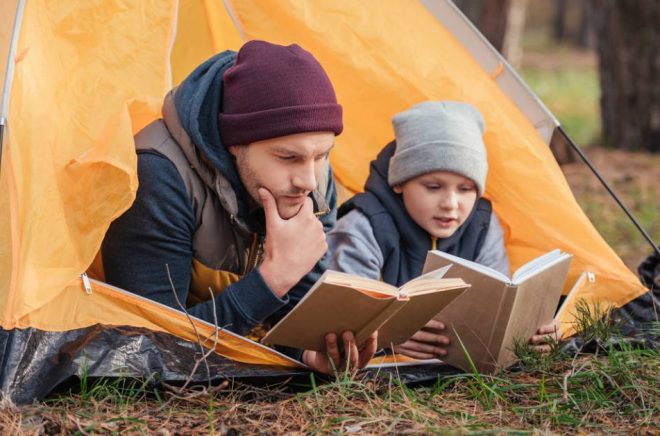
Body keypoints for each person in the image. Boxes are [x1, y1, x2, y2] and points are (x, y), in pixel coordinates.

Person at [101, 40, 376, 374]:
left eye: (322, 154)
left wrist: (305, 350)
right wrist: (273, 279)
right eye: (288, 157)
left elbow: (297, 303)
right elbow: (149, 347)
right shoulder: (159, 174)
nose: (309, 181)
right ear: (234, 143)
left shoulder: (312, 178)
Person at [327, 101, 557, 360]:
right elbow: (336, 322)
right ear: (400, 182)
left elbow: (497, 309)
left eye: (466, 189)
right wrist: (387, 336)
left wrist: (528, 333)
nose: (450, 204)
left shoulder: (482, 226)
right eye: (433, 187)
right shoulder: (363, 226)